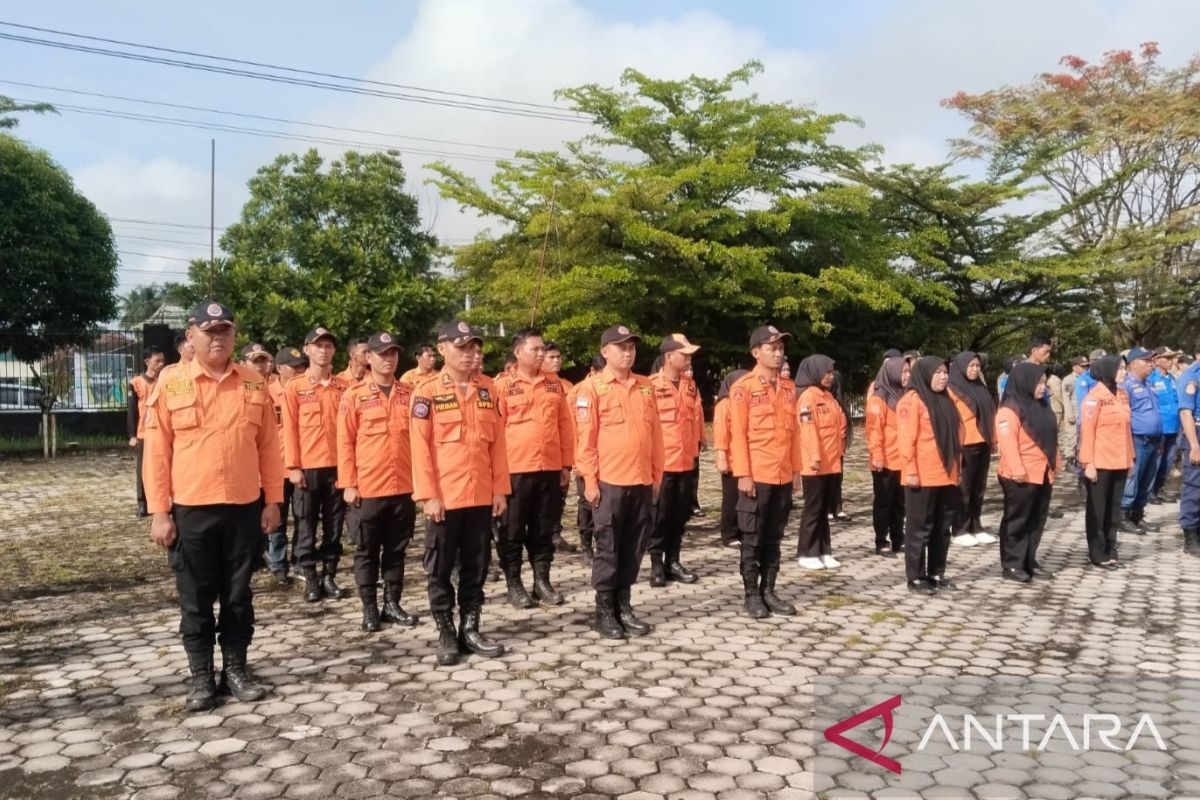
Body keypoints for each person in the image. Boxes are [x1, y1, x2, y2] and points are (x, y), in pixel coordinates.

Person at [143, 301, 281, 712]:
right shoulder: (171, 384)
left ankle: (235, 670)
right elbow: (157, 454)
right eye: (209, 331)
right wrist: (160, 511)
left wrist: (273, 500)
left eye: (224, 331)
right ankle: (201, 676)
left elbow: (270, 449)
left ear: (234, 336)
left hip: (243, 508)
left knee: (239, 597)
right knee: (196, 599)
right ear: (191, 337)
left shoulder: (255, 383)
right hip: (192, 510)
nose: (218, 338)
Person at [411, 321, 510, 665]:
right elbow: (420, 449)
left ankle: (471, 627)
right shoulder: (426, 392)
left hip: (480, 495)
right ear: (442, 349)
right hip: (445, 499)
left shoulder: (489, 389)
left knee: (476, 565)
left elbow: (498, 446)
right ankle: (446, 632)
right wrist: (428, 495)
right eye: (462, 347)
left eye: (474, 348)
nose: (470, 354)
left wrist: (500, 489)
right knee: (439, 569)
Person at [574, 325, 664, 638]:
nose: (628, 353)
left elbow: (656, 436)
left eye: (631, 348)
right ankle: (604, 611)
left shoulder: (645, 387)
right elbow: (585, 440)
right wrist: (590, 481)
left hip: (641, 480)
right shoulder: (593, 388)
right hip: (609, 482)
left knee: (634, 547)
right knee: (609, 548)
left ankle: (624, 605)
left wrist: (656, 475)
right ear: (605, 352)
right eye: (621, 347)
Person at [336, 331, 420, 633]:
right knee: (367, 551)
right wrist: (348, 483)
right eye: (382, 354)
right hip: (368, 488)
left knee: (397, 550)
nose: (389, 359)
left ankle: (392, 603)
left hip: (403, 487)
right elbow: (344, 442)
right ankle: (369, 608)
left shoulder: (410, 394)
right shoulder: (354, 395)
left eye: (393, 353)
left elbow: (422, 442)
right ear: (367, 357)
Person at [493, 328, 573, 609]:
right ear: (518, 352)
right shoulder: (502, 385)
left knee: (543, 529)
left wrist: (566, 463)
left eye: (543, 349)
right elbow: (495, 431)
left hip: (549, 468)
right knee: (512, 531)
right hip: (515, 469)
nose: (541, 354)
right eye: (534, 349)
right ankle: (514, 584)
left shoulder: (554, 384)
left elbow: (565, 425)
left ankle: (542, 581)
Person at [729, 325, 802, 619]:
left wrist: (797, 470)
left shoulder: (788, 387)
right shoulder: (742, 389)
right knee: (753, 537)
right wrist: (744, 474)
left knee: (774, 537)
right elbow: (738, 435)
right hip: (756, 474)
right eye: (771, 348)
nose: (778, 353)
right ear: (756, 352)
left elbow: (794, 433)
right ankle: (751, 595)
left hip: (783, 474)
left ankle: (770, 590)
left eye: (780, 348)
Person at [281, 326, 349, 602]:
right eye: (318, 346)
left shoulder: (345, 388)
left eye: (328, 346)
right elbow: (289, 430)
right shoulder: (294, 388)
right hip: (307, 468)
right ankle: (309, 576)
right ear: (307, 349)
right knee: (306, 524)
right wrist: (293, 467)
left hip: (338, 468)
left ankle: (329, 575)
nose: (323, 350)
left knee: (335, 525)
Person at [898, 356, 963, 595]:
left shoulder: (947, 400)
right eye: (937, 373)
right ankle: (915, 576)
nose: (943, 377)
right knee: (919, 528)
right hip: (922, 477)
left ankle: (936, 572)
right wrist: (911, 471)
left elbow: (957, 439)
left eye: (945, 372)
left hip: (946, 475)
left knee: (942, 528)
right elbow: (906, 440)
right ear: (925, 374)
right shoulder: (912, 401)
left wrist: (957, 470)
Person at [647, 334, 705, 586]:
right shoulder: (650, 386)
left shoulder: (690, 385)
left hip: (685, 463)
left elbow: (696, 417)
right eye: (684, 354)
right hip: (663, 465)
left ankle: (674, 560)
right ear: (669, 356)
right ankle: (656, 565)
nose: (688, 358)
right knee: (659, 517)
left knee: (679, 516)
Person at [995, 362, 1061, 582]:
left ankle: (1029, 559)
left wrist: (1055, 461)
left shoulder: (1041, 406)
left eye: (1044, 382)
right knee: (1018, 520)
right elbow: (1008, 443)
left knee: (1037, 519)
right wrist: (1017, 470)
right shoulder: (1009, 409)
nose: (1043, 387)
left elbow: (1051, 436)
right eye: (1039, 382)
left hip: (1042, 471)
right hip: (1020, 475)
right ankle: (1012, 564)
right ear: (1025, 382)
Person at [1079, 355, 1133, 568]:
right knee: (1098, 510)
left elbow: (1127, 430)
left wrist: (1131, 458)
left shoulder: (1122, 394)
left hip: (1120, 460)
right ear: (1108, 371)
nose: (1124, 372)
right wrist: (1088, 463)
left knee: (1114, 508)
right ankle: (1097, 551)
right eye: (1120, 369)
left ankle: (1111, 546)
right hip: (1100, 462)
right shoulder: (1095, 397)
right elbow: (1088, 432)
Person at [794, 355, 848, 570]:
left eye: (831, 372)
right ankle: (807, 552)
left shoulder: (829, 398)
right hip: (814, 466)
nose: (830, 376)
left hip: (831, 463)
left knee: (824, 510)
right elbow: (808, 431)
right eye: (826, 372)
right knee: (813, 510)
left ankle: (824, 551)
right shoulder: (808, 398)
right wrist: (815, 457)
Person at [265, 347, 307, 585]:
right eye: (294, 367)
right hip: (277, 468)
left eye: (302, 366)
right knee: (278, 520)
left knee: (303, 517)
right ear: (279, 369)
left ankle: (300, 560)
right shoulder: (267, 394)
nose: (299, 371)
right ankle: (278, 564)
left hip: (302, 465)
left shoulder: (305, 391)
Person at [947, 352, 997, 546]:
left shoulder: (980, 386)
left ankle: (975, 525)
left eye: (977, 366)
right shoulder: (952, 388)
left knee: (979, 487)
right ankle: (959, 528)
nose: (975, 369)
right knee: (964, 488)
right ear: (960, 366)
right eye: (971, 366)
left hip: (982, 442)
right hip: (965, 443)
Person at [866, 354, 908, 557]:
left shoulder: (905, 395)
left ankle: (899, 538)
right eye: (904, 371)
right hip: (885, 459)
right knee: (884, 503)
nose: (907, 375)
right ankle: (881, 540)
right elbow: (874, 429)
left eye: (909, 371)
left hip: (903, 460)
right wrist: (877, 455)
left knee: (900, 503)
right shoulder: (879, 397)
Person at [1118, 347, 1163, 534]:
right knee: (1132, 480)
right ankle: (1123, 515)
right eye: (1147, 361)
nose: (1151, 364)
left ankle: (1137, 514)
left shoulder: (1149, 384)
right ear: (1133, 364)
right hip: (1136, 439)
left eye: (1152, 361)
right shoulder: (1126, 386)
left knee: (1147, 480)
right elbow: (1123, 418)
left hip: (1153, 440)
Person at [543, 341, 579, 555]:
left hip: (562, 451)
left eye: (558, 357)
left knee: (560, 497)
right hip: (538, 455)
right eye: (551, 357)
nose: (556, 361)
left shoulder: (566, 386)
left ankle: (555, 535)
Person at [571, 354, 606, 566]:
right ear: (593, 371)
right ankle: (586, 546)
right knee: (586, 503)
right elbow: (574, 430)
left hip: (608, 459)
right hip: (585, 457)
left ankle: (604, 544)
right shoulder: (578, 392)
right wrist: (576, 462)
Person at [128, 346, 166, 518]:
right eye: (157, 360)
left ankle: (163, 501)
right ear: (147, 362)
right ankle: (142, 503)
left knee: (163, 468)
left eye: (162, 361)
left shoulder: (165, 381)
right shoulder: (136, 383)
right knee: (143, 469)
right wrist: (132, 435)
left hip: (162, 431)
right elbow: (132, 411)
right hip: (143, 432)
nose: (161, 364)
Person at [713, 369, 749, 549]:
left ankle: (744, 530)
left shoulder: (746, 402)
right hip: (731, 459)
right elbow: (721, 433)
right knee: (731, 499)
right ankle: (729, 533)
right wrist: (721, 458)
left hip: (747, 460)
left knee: (745, 499)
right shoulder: (724, 405)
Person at [1176, 349, 1200, 556]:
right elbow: (1186, 413)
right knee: (1195, 487)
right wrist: (1194, 445)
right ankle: (1190, 535)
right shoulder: (1192, 377)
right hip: (1197, 432)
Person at [1150, 347, 1181, 504]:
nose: (1171, 361)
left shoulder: (1172, 379)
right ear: (1156, 360)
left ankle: (1160, 488)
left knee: (1168, 460)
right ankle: (1150, 491)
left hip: (1174, 426)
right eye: (1167, 358)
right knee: (1157, 460)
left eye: (1172, 358)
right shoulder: (1152, 379)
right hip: (1160, 426)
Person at [1060, 355, 1089, 469]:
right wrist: (1070, 414)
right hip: (1073, 410)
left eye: (1087, 366)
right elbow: (1066, 398)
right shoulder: (1069, 380)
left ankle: (1079, 459)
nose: (1085, 368)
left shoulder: (1087, 378)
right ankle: (1069, 460)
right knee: (1071, 436)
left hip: (1084, 412)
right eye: (1083, 366)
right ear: (1075, 367)